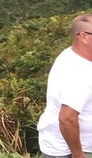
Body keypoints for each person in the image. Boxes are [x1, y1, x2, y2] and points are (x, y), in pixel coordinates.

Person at [38, 14, 92, 158]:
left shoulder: (70, 55)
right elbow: (67, 118)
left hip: (57, 144)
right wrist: (78, 154)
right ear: (84, 37)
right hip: (67, 152)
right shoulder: (80, 73)